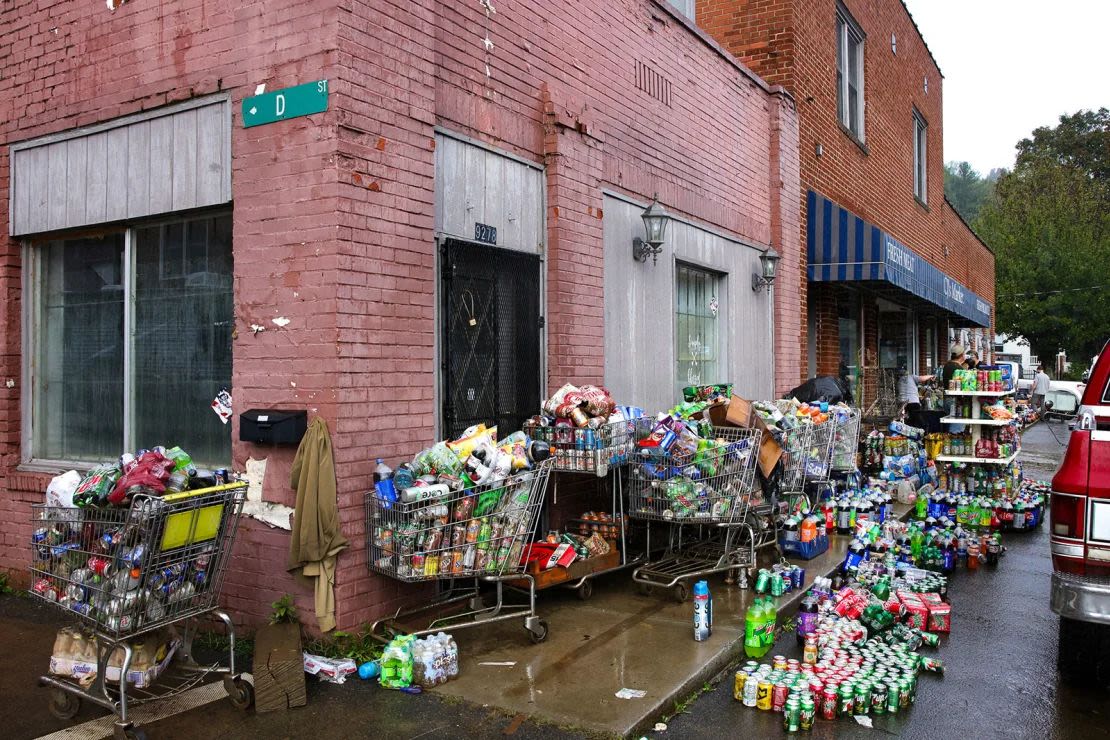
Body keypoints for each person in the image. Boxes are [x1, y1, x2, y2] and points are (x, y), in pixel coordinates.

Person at [898, 365, 935, 430]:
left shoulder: (898, 381)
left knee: (906, 421)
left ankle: (908, 434)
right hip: (913, 402)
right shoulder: (911, 377)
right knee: (917, 421)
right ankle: (920, 434)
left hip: (902, 404)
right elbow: (922, 378)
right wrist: (931, 376)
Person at [942, 344, 967, 433]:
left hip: (946, 399)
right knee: (956, 429)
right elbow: (965, 386)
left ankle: (947, 442)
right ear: (962, 355)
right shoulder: (959, 369)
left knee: (948, 424)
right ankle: (953, 444)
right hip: (957, 401)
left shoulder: (947, 366)